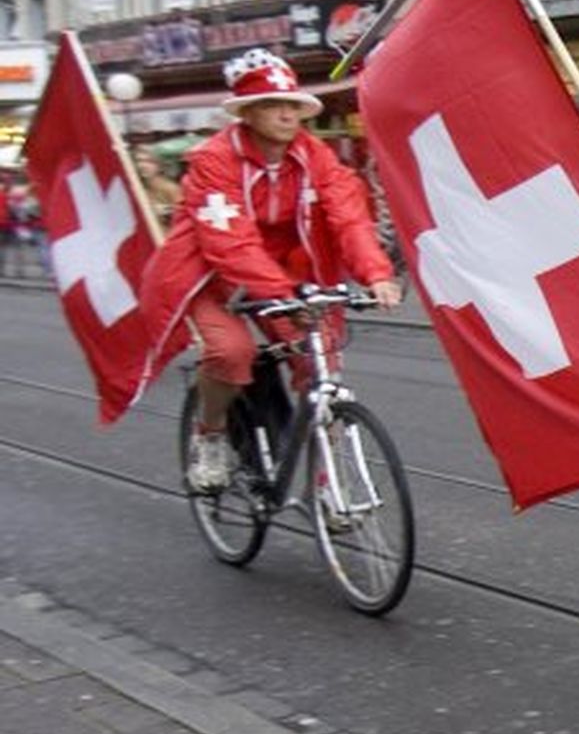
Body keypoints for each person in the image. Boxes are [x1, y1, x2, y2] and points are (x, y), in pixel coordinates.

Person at [139, 49, 402, 492]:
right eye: (271, 104)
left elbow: (349, 218)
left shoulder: (316, 156)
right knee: (230, 352)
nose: (286, 114)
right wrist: (283, 296)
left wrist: (376, 273)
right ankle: (212, 435)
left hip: (292, 275)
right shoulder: (214, 160)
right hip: (213, 273)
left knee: (321, 366)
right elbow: (229, 241)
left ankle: (329, 483)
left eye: (292, 104)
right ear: (246, 113)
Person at [132, 145, 182, 228]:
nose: (142, 165)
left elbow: (183, 216)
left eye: (149, 161)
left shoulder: (171, 188)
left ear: (159, 165)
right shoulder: (140, 189)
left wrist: (167, 212)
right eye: (139, 161)